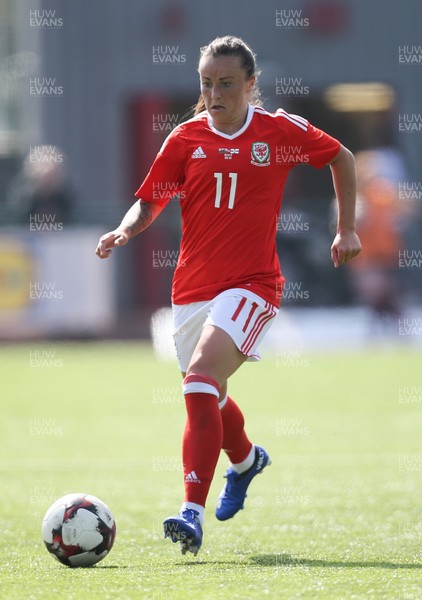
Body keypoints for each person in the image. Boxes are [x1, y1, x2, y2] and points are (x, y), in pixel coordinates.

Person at [96, 36, 361, 556]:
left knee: (198, 380)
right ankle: (244, 461)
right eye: (206, 84)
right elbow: (150, 201)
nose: (214, 94)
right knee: (208, 395)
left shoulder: (278, 131)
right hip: (192, 289)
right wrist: (125, 231)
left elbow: (342, 157)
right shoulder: (185, 138)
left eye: (226, 84)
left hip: (253, 285)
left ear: (249, 84)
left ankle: (190, 514)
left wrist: (346, 229)